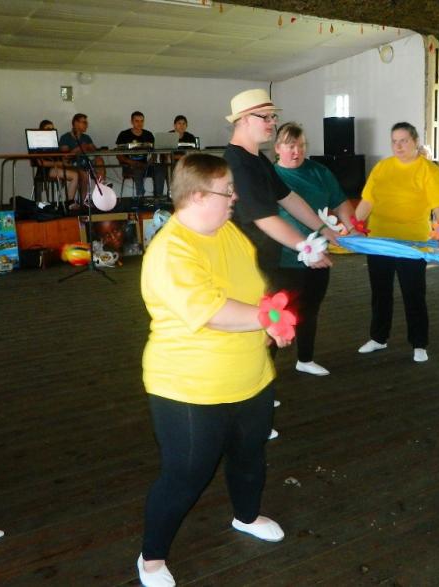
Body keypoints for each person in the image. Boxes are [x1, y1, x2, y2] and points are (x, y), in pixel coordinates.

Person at [137, 153, 288, 587]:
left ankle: (246, 516)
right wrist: (268, 318)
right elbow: (214, 312)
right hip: (189, 387)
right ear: (199, 196)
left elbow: (252, 289)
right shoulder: (172, 250)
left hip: (250, 376)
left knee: (250, 456)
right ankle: (151, 558)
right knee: (185, 477)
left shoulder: (227, 231)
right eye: (227, 191)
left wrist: (268, 322)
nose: (235, 198)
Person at [354, 121, 439, 363]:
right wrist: (353, 226)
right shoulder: (382, 167)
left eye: (404, 141)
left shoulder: (429, 171)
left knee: (413, 293)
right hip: (379, 240)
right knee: (380, 292)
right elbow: (367, 201)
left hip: (412, 243)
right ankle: (378, 337)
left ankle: (419, 343)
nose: (398, 146)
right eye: (394, 141)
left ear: (415, 142)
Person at [223, 89, 338, 286]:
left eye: (273, 117)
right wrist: (306, 247)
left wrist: (323, 228)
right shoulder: (239, 164)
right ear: (244, 119)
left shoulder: (257, 158)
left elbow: (288, 198)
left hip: (266, 259)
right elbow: (264, 219)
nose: (273, 122)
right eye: (265, 117)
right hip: (249, 265)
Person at [273, 122, 357, 376]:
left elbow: (340, 203)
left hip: (319, 254)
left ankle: (305, 358)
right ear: (277, 148)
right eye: (290, 146)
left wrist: (352, 229)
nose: (297, 151)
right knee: (277, 313)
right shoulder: (271, 176)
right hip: (282, 259)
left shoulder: (319, 172)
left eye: (301, 146)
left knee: (310, 308)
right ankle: (265, 370)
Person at [116, 111, 166, 200]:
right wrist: (133, 162)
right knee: (138, 170)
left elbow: (154, 153)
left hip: (146, 165)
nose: (140, 123)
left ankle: (158, 198)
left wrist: (150, 161)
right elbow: (119, 155)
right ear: (131, 122)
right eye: (137, 121)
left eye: (142, 121)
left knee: (160, 168)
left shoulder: (148, 135)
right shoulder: (124, 135)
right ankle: (140, 198)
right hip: (129, 166)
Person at [35, 120, 81, 208]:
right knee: (75, 175)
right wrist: (60, 163)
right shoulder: (37, 143)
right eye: (48, 129)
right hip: (45, 170)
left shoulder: (54, 142)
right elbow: (42, 163)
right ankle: (69, 202)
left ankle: (69, 202)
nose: (51, 131)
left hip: (56, 167)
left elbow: (58, 157)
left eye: (52, 129)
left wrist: (65, 159)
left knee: (77, 172)